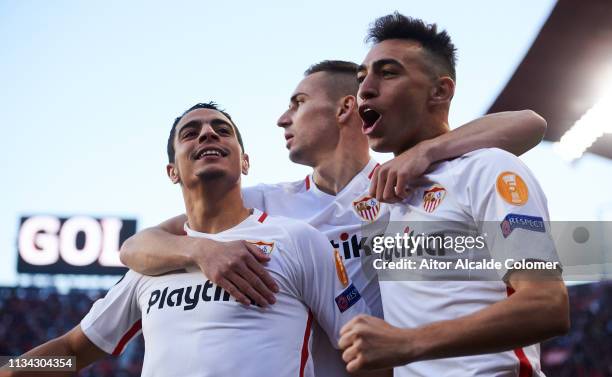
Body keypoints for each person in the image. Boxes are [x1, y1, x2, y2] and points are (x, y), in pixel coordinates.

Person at [119, 62, 548, 376]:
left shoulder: (405, 185)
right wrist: (198, 250)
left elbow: (530, 123)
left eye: (298, 103)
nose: (282, 118)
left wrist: (428, 151)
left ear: (345, 109)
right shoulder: (269, 204)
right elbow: (137, 246)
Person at [0, 103, 372, 377]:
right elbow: (71, 349)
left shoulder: (298, 240)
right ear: (171, 171)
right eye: (190, 132)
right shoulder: (154, 264)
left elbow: (363, 353)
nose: (208, 133)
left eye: (221, 130)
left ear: (245, 162)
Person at [338, 13, 569, 377]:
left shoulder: (486, 169)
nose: (365, 87)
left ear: (440, 91)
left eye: (388, 72)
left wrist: (406, 343)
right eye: (362, 76)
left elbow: (547, 304)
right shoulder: (378, 200)